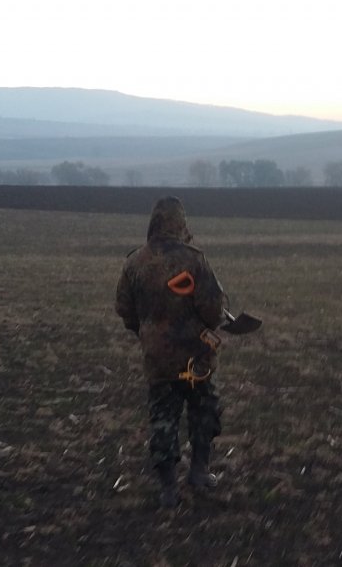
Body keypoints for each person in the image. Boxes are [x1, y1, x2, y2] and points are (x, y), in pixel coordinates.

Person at [115, 196, 225, 509]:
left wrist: (148, 333)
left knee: (163, 419)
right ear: (180, 223)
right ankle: (199, 472)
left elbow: (125, 309)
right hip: (196, 358)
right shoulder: (194, 260)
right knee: (204, 411)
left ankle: (168, 488)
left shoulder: (134, 262)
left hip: (158, 360)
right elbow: (213, 310)